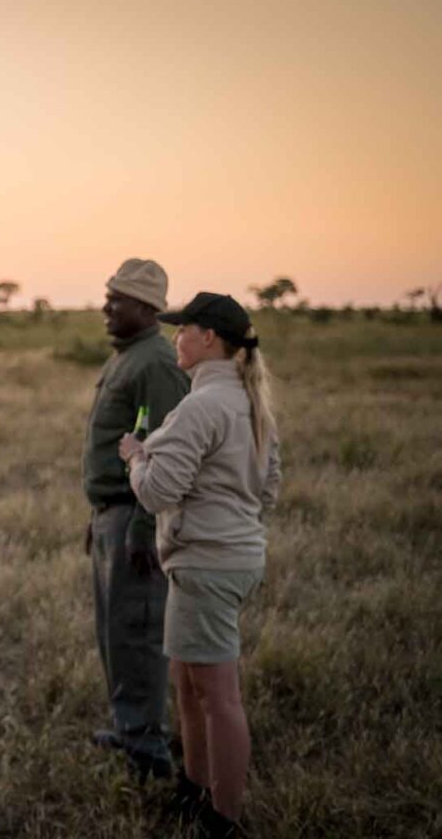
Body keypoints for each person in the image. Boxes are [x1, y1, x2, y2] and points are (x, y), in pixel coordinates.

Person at [119, 292, 280, 839]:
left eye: (182, 329)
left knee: (218, 695)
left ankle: (223, 817)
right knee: (188, 682)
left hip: (207, 565)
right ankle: (194, 787)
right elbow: (269, 486)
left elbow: (159, 492)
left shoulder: (202, 406)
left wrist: (137, 458)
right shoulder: (248, 403)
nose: (175, 339)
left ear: (208, 338)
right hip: (227, 559)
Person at [83, 258, 190, 779]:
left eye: (117, 299)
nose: (106, 307)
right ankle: (131, 730)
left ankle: (148, 749)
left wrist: (144, 528)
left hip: (136, 518)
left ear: (147, 309)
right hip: (113, 515)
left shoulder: (156, 365)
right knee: (115, 632)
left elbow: (163, 453)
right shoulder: (128, 356)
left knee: (137, 630)